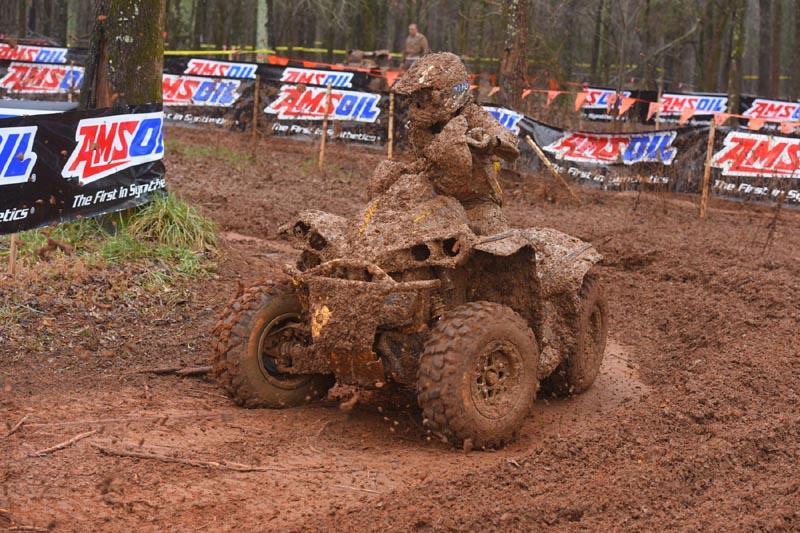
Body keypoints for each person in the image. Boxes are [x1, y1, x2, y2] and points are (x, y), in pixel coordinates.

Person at [370, 53, 519, 235]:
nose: (418, 106)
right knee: (387, 191)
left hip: (475, 202)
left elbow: (509, 139)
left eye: (425, 98)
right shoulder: (420, 128)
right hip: (433, 194)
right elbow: (424, 161)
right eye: (416, 99)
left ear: (448, 94)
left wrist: (492, 141)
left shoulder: (472, 115)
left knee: (494, 235)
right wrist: (406, 172)